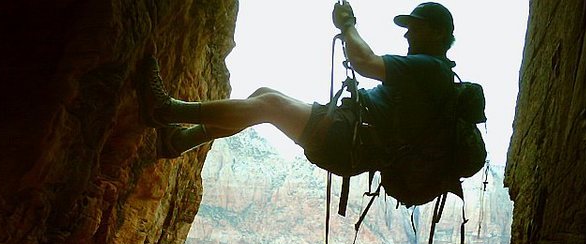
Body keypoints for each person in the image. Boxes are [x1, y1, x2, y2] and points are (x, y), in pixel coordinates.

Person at [138, 2, 456, 179]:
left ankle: (166, 110)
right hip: (351, 136)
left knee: (269, 105)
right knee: (264, 94)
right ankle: (179, 140)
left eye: (416, 27)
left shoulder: (430, 67)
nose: (408, 34)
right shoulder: (434, 72)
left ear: (438, 33)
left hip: (347, 137)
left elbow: (366, 61)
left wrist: (348, 25)